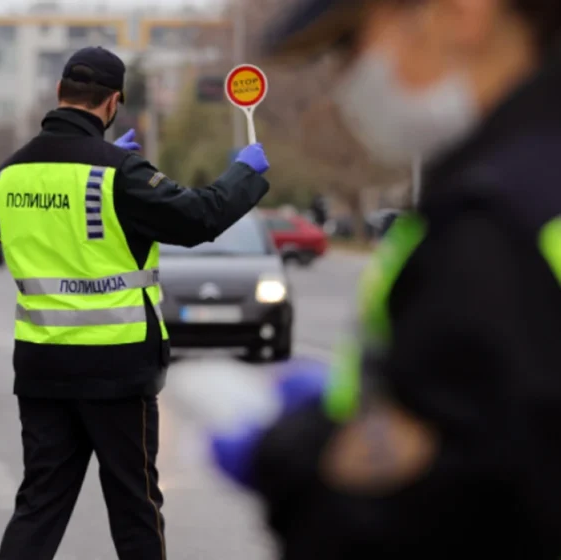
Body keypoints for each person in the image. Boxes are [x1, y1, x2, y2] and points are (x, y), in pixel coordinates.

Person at [209, 0, 561, 558]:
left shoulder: (492, 226)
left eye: (352, 46)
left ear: (460, 14)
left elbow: (445, 517)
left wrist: (295, 464)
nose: (346, 81)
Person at [0, 45, 271, 560]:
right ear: (114, 102)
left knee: (39, 504)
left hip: (41, 365)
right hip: (116, 367)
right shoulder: (117, 174)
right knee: (134, 507)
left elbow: (24, 236)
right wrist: (244, 174)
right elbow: (199, 217)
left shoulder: (4, 179)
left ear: (59, 95)